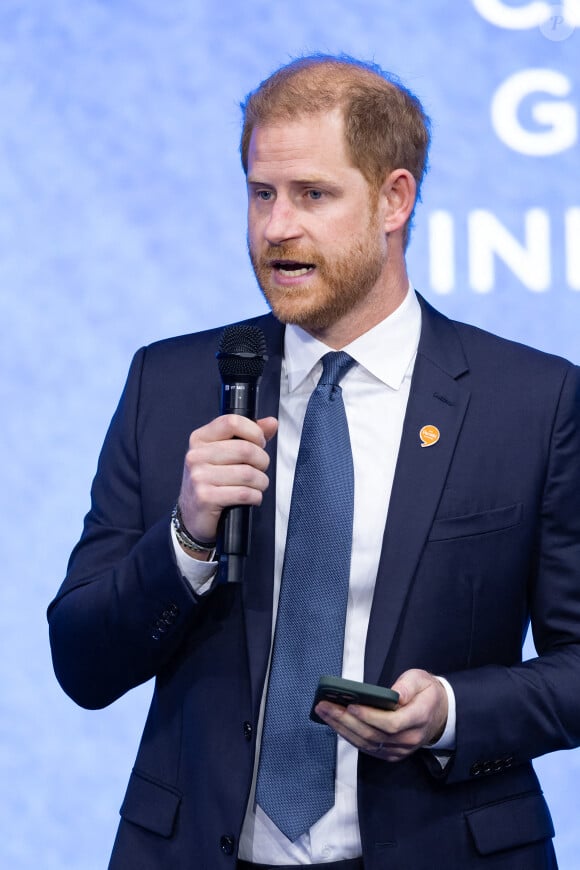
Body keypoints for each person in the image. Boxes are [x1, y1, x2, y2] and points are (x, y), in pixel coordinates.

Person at [48, 55, 580, 870]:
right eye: (261, 193)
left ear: (394, 199)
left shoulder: (532, 403)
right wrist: (186, 541)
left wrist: (449, 713)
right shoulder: (172, 383)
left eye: (313, 195)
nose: (276, 228)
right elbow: (81, 661)